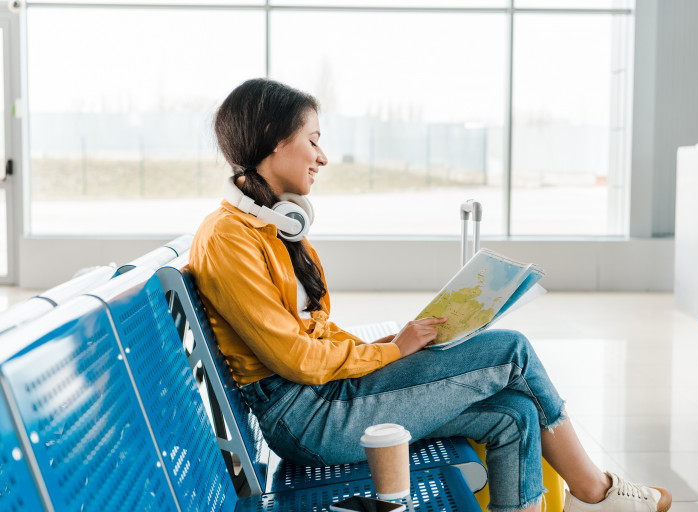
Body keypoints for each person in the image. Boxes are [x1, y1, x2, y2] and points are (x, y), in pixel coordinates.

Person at [189, 78, 672, 512]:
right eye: (313, 140)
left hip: (323, 398)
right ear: (274, 139)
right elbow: (294, 357)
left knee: (515, 413)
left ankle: (590, 495)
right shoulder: (228, 237)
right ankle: (595, 492)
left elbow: (311, 332)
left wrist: (384, 347)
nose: (323, 156)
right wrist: (391, 352)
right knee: (512, 351)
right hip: (310, 417)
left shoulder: (274, 225)